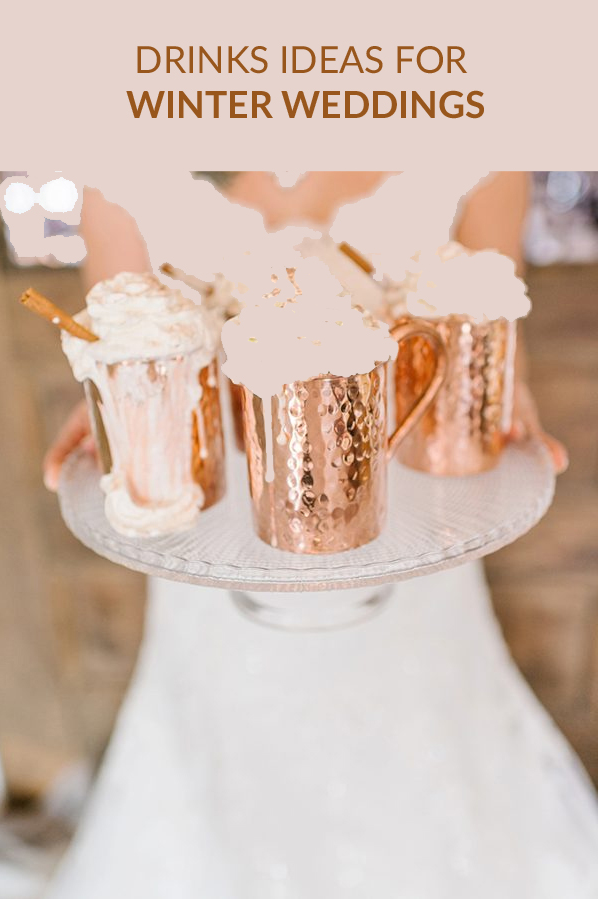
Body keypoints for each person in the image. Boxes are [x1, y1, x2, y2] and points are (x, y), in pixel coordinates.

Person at [42, 172, 597, 899]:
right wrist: (112, 398)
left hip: (416, 539)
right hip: (209, 535)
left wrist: (502, 383)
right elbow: (118, 323)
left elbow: (487, 315)